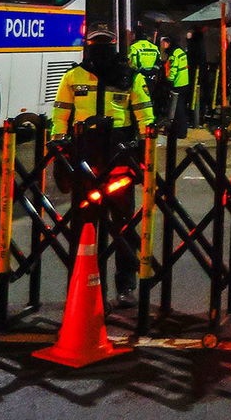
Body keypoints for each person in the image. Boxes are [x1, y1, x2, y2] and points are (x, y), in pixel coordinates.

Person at [52, 25, 155, 308]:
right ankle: (84, 282)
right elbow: (61, 113)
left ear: (113, 46)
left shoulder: (130, 76)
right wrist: (59, 146)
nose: (99, 49)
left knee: (123, 223)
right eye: (95, 44)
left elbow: (145, 114)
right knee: (84, 223)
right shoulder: (73, 76)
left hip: (119, 153)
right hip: (85, 152)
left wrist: (147, 149)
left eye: (104, 44)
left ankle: (125, 286)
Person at [160, 36, 190, 139]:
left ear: (169, 43)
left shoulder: (173, 54)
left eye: (165, 43)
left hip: (177, 84)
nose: (163, 46)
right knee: (181, 108)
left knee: (177, 109)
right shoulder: (180, 51)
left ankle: (180, 132)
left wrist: (169, 81)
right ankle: (182, 130)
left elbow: (173, 69)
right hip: (184, 82)